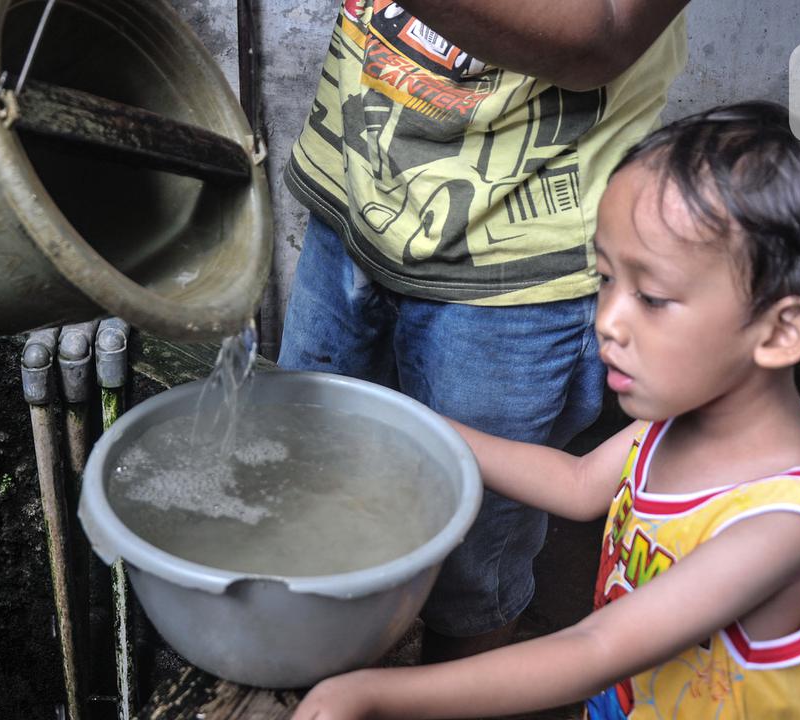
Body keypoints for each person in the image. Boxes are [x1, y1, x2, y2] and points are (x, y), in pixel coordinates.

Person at [290, 101, 800, 719]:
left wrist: (368, 693)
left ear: (780, 331)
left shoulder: (781, 524)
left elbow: (595, 650)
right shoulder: (681, 418)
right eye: (605, 279)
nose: (607, 321)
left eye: (652, 297)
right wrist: (402, 421)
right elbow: (577, 483)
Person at [279, 0, 690, 661]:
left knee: (470, 567)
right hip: (357, 179)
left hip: (517, 249)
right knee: (301, 487)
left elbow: (602, 38)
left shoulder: (777, 512)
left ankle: (433, 692)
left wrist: (373, 700)